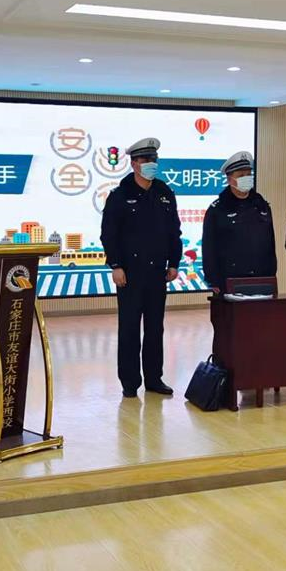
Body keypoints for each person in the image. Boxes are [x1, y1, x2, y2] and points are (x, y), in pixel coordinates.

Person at [100, 137, 182, 398]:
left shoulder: (164, 193)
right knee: (129, 329)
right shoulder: (119, 195)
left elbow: (174, 232)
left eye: (154, 159)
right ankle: (129, 382)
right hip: (130, 273)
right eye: (146, 160)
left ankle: (154, 378)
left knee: (155, 328)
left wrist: (174, 262)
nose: (151, 164)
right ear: (134, 163)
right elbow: (109, 234)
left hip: (158, 272)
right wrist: (115, 265)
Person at [201, 151, 276, 293]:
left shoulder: (262, 205)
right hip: (229, 279)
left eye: (248, 174)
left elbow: (270, 242)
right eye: (241, 175)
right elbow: (209, 247)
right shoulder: (217, 209)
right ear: (230, 180)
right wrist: (213, 279)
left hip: (262, 278)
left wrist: (272, 273)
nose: (246, 178)